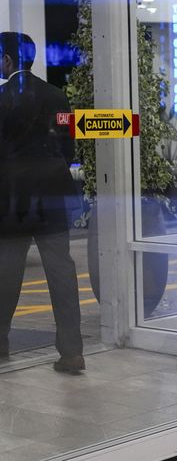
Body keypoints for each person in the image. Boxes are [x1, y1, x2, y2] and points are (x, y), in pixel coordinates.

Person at [0, 32, 84, 373]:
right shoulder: (57, 96)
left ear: (7, 60)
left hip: (13, 201)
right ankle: (72, 352)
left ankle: (0, 344)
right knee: (62, 272)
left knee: (6, 276)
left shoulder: (2, 99)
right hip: (52, 197)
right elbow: (68, 149)